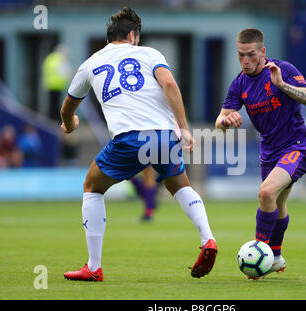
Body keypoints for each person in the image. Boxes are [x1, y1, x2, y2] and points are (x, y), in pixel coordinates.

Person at [61, 7, 217, 281]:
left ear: (109, 37)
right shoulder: (150, 53)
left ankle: (93, 267)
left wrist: (70, 122)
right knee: (180, 186)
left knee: (92, 187)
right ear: (133, 35)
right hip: (163, 135)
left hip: (128, 137)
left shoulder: (89, 64)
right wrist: (183, 127)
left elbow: (68, 106)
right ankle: (208, 239)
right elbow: (169, 83)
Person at [215, 28, 306, 279]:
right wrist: (227, 122)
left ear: (263, 52)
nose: (245, 61)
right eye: (240, 55)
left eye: (250, 55)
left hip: (297, 146)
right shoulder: (239, 82)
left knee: (266, 192)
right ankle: (276, 256)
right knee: (275, 202)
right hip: (269, 152)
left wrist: (282, 84)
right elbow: (220, 120)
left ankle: (258, 254)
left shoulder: (284, 70)